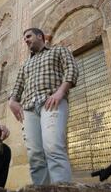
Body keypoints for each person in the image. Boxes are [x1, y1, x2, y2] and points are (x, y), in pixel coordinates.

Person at [8, 28, 79, 185]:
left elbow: (71, 69)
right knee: (35, 155)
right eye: (24, 38)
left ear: (39, 36)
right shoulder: (26, 64)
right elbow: (18, 87)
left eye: (28, 36)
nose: (25, 40)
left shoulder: (58, 50)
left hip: (51, 102)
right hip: (29, 110)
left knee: (53, 147)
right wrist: (12, 101)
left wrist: (60, 92)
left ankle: (62, 188)